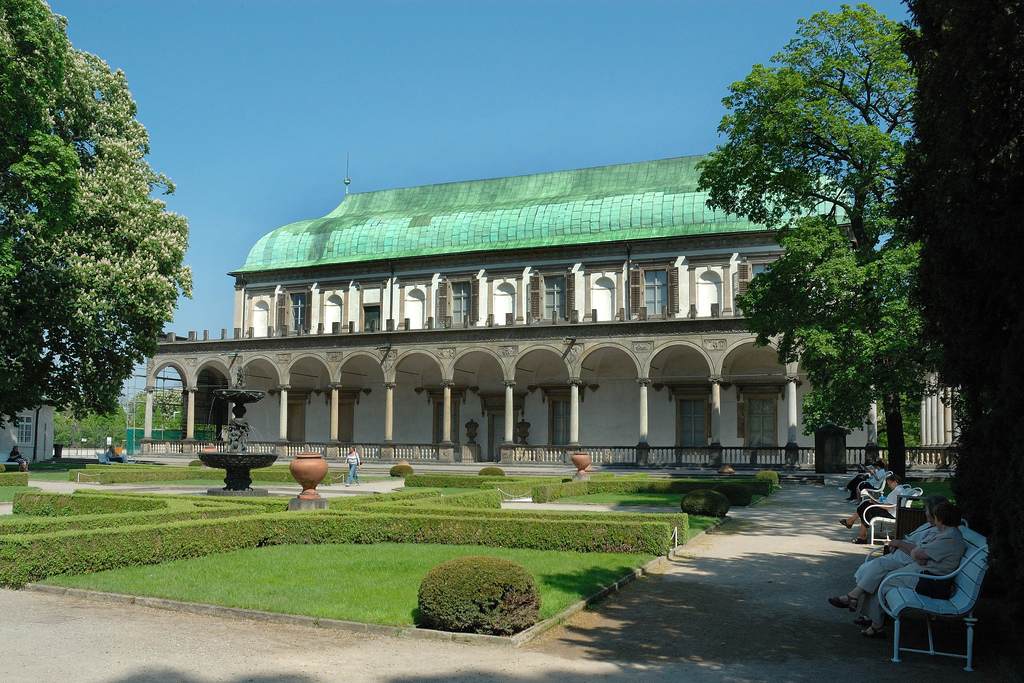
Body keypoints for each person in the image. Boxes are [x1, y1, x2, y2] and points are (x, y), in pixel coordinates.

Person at [828, 500, 966, 637]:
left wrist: (912, 550)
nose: (931, 518)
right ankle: (865, 611)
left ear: (940, 519)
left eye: (934, 516)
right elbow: (920, 553)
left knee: (884, 580)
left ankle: (870, 618)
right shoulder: (947, 534)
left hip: (930, 579)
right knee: (881, 573)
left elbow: (918, 555)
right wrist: (915, 552)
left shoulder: (948, 538)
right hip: (923, 571)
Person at [840, 473, 905, 544]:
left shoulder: (896, 491)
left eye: (889, 483)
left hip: (890, 513)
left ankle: (859, 533)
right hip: (892, 511)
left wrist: (875, 503)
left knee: (867, 509)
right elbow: (890, 505)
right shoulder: (900, 489)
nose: (888, 486)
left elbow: (889, 507)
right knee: (866, 504)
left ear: (895, 482)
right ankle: (852, 524)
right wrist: (874, 502)